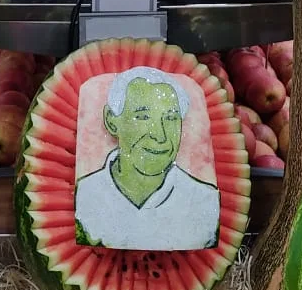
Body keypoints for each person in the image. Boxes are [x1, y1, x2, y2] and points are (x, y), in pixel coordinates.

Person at [74, 67, 220, 250]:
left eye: (170, 118)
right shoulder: (86, 194)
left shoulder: (204, 201)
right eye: (143, 117)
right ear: (112, 121)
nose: (161, 136)